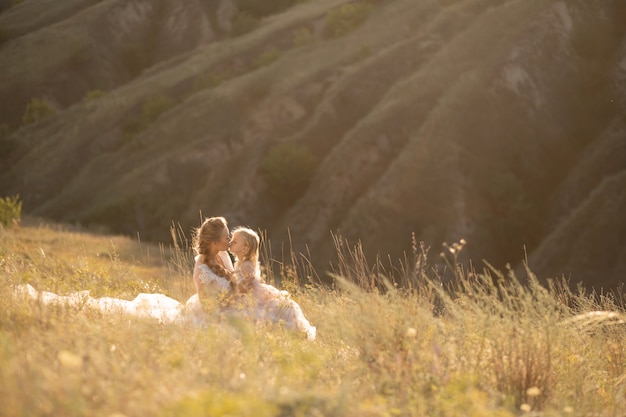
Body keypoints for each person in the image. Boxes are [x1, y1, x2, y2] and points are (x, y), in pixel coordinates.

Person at [229, 226, 316, 340]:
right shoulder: (241, 263)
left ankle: (294, 335)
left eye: (234, 242)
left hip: (252, 296)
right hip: (249, 294)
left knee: (263, 316)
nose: (230, 242)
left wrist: (237, 285)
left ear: (245, 248)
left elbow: (249, 283)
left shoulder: (246, 264)